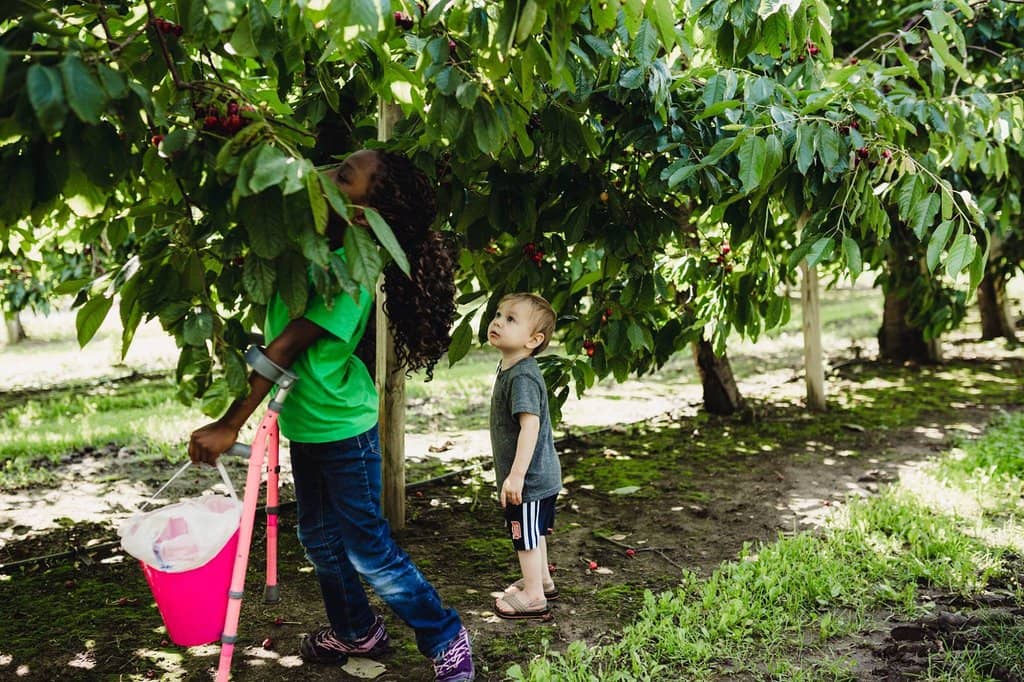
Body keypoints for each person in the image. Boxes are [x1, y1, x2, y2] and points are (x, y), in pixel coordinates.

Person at [188, 149, 475, 682]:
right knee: (319, 539)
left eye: (344, 176)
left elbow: (286, 345)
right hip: (310, 426)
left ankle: (444, 635)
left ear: (366, 213)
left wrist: (231, 424)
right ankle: (357, 630)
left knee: (367, 548)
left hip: (345, 430)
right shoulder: (314, 252)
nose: (327, 174)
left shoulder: (350, 276)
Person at [486, 292, 562, 619]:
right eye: (499, 315)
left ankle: (533, 596)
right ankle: (541, 580)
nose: (498, 321)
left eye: (511, 319)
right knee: (534, 531)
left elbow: (530, 427)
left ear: (534, 340)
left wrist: (516, 476)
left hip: (528, 479)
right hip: (537, 475)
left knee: (524, 536)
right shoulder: (513, 367)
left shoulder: (522, 376)